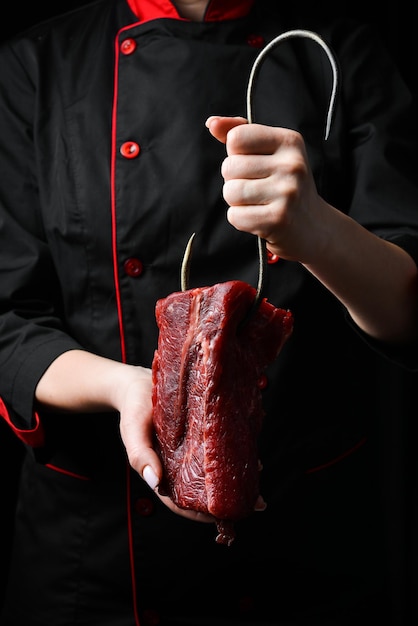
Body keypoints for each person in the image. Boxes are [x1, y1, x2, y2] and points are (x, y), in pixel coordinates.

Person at [1, 0, 418, 624]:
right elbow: (8, 318)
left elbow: (410, 313)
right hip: (96, 567)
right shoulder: (38, 66)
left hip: (305, 553)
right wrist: (127, 388)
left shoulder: (339, 54)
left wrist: (320, 233)